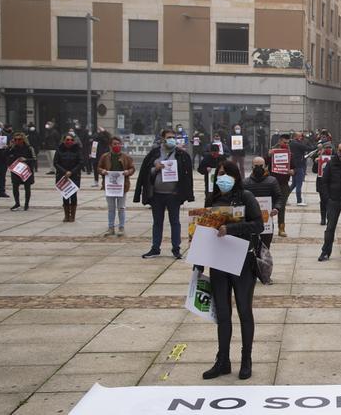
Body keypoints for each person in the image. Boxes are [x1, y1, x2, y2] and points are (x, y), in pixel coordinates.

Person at [200, 161, 263, 381]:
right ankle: (223, 360)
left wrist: (232, 228)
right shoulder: (212, 199)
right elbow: (203, 231)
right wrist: (199, 264)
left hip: (242, 262)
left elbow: (258, 225)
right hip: (218, 263)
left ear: (236, 176)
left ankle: (246, 359)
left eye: (226, 174)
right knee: (223, 314)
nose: (222, 177)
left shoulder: (245, 197)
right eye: (219, 174)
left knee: (244, 311)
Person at [135, 128, 195, 259]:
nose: (172, 139)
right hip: (157, 194)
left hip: (173, 195)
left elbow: (187, 175)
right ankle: (155, 248)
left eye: (173, 137)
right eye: (169, 137)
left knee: (175, 222)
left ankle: (176, 248)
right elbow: (145, 172)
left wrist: (186, 192)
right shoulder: (155, 154)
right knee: (157, 222)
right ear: (162, 139)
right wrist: (154, 169)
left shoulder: (181, 154)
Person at [97, 137, 135, 237]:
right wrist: (102, 171)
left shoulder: (126, 157)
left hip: (122, 186)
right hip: (110, 186)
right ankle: (111, 227)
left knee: (121, 207)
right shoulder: (105, 157)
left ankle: (121, 227)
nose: (117, 146)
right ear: (110, 145)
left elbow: (132, 168)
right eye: (114, 144)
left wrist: (128, 172)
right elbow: (99, 167)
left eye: (118, 144)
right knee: (111, 207)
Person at [243, 156, 282, 251]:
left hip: (267, 220)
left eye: (261, 166)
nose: (258, 168)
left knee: (265, 247)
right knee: (251, 248)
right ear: (252, 167)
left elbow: (279, 197)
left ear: (265, 166)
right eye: (256, 166)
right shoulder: (245, 182)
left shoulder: (272, 181)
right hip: (251, 221)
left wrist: (276, 208)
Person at [267, 134, 294, 236]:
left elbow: (294, 167)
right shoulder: (272, 151)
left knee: (281, 207)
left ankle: (281, 228)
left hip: (284, 185)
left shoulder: (289, 153)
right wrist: (269, 155)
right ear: (279, 141)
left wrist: (292, 171)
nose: (286, 144)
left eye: (287, 143)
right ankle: (268, 227)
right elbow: (263, 163)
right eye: (284, 142)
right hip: (271, 184)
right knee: (269, 206)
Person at [54, 133, 84, 223]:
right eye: (67, 140)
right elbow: (55, 163)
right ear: (64, 141)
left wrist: (71, 172)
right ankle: (66, 215)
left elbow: (81, 162)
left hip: (74, 175)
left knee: (73, 195)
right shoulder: (59, 149)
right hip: (63, 176)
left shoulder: (77, 150)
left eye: (71, 140)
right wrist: (64, 172)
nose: (69, 141)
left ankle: (72, 216)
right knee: (65, 196)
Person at [7, 132, 35, 211]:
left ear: (23, 139)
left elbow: (34, 159)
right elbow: (5, 155)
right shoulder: (13, 148)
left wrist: (26, 160)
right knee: (15, 186)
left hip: (26, 171)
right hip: (16, 171)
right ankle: (17, 203)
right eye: (15, 139)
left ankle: (26, 204)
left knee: (27, 187)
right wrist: (9, 146)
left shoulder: (29, 148)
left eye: (19, 139)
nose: (17, 141)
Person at [288, 132, 316, 206]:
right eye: (300, 136)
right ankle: (299, 201)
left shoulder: (292, 143)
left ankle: (284, 198)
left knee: (294, 184)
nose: (301, 138)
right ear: (295, 137)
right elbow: (308, 148)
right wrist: (317, 146)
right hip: (299, 166)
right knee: (299, 184)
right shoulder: (296, 144)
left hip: (294, 166)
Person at [313, 142, 333, 226]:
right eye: (327, 148)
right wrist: (316, 162)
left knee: (330, 201)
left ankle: (330, 218)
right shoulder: (319, 158)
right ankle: (323, 218)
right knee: (323, 201)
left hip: (332, 183)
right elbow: (314, 171)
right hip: (322, 183)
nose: (329, 149)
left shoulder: (335, 158)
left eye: (330, 148)